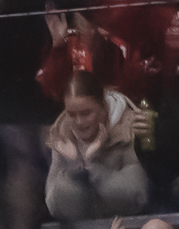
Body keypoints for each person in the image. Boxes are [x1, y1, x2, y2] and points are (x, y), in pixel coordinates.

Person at [45, 71, 151, 220]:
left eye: (86, 113)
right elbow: (54, 206)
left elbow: (137, 197)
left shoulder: (128, 130)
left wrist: (95, 170)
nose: (79, 122)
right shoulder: (62, 136)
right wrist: (76, 170)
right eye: (72, 114)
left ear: (103, 107)